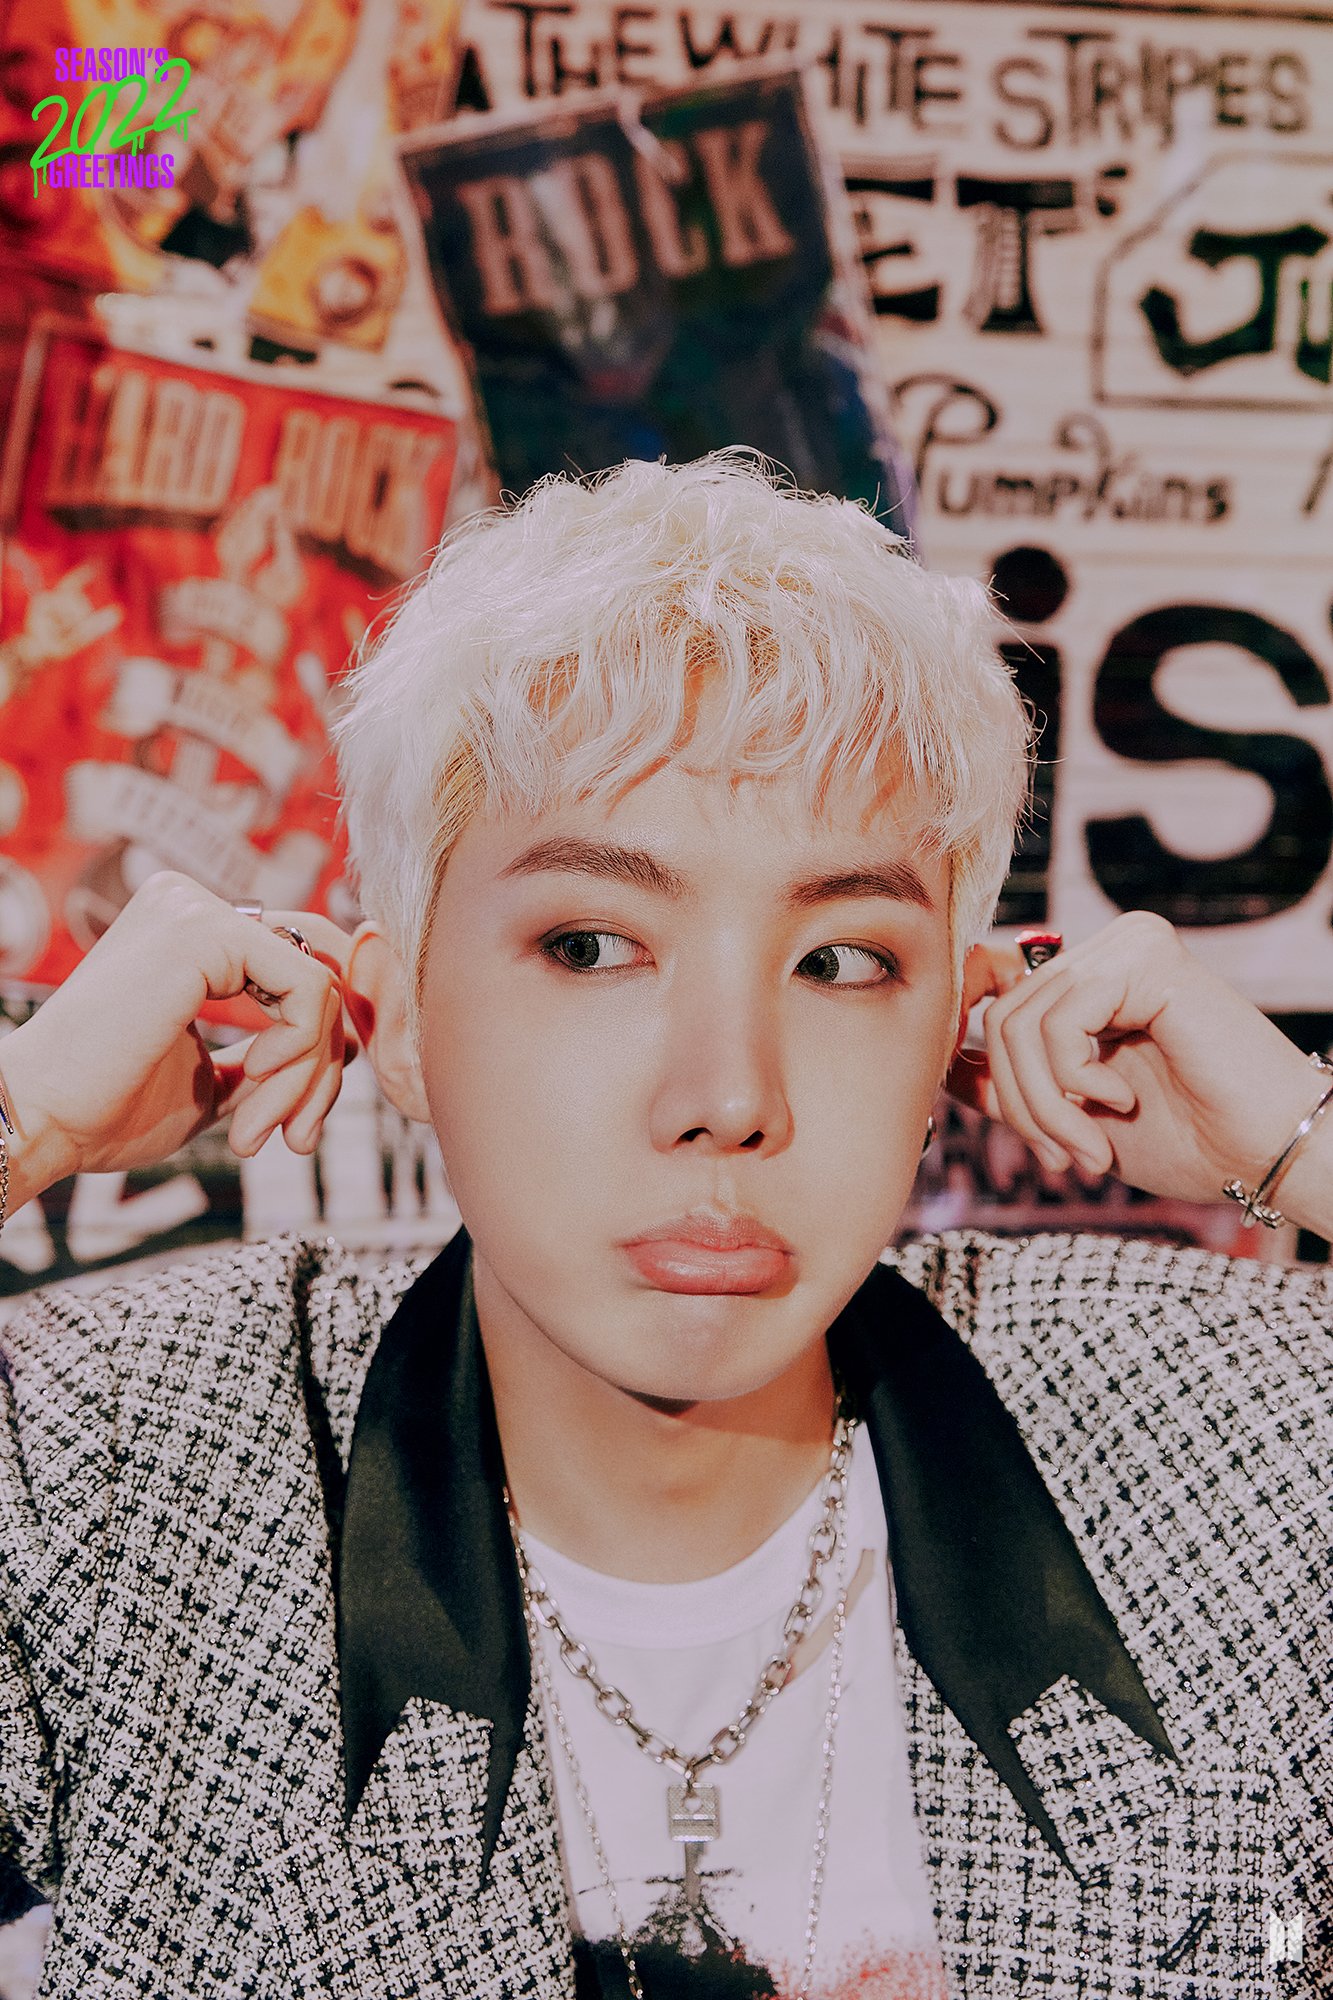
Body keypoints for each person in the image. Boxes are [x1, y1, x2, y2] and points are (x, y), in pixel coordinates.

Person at [0, 452, 1327, 2000]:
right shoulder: (118, 1457)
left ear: (953, 1034)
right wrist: (28, 1122)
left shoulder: (1223, 1432)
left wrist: (1299, 1142)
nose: (727, 1097)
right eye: (591, 944)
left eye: (841, 963)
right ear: (400, 1017)